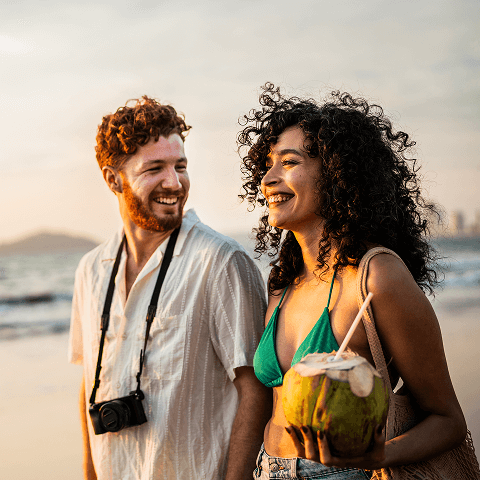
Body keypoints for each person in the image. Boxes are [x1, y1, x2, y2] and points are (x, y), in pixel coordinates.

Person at [237, 83, 467, 479]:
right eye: (268, 165)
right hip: (267, 468)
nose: (268, 178)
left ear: (336, 174)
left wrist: (378, 457)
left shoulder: (376, 276)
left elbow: (447, 419)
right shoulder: (282, 283)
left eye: (288, 162)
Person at [68, 96, 271, 480]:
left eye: (181, 166)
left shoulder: (221, 261)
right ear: (114, 179)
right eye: (155, 168)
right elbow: (87, 388)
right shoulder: (90, 270)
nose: (174, 183)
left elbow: (256, 392)